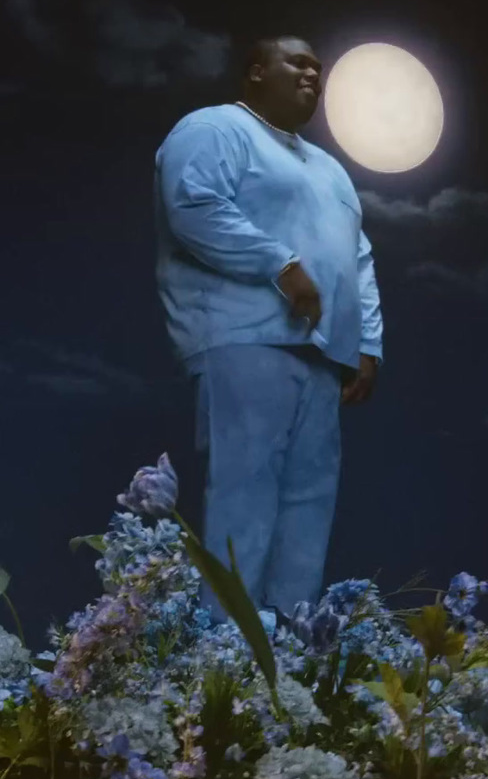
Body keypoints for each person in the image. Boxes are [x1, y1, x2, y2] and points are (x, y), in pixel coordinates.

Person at [153, 34, 384, 617]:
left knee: (310, 504)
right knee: (245, 498)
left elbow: (358, 256)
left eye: (319, 67)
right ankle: (226, 661)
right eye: (297, 63)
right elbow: (194, 206)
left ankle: (291, 660)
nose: (313, 73)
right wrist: (277, 263)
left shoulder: (330, 168)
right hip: (245, 336)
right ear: (257, 72)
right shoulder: (213, 129)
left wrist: (368, 342)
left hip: (322, 353)